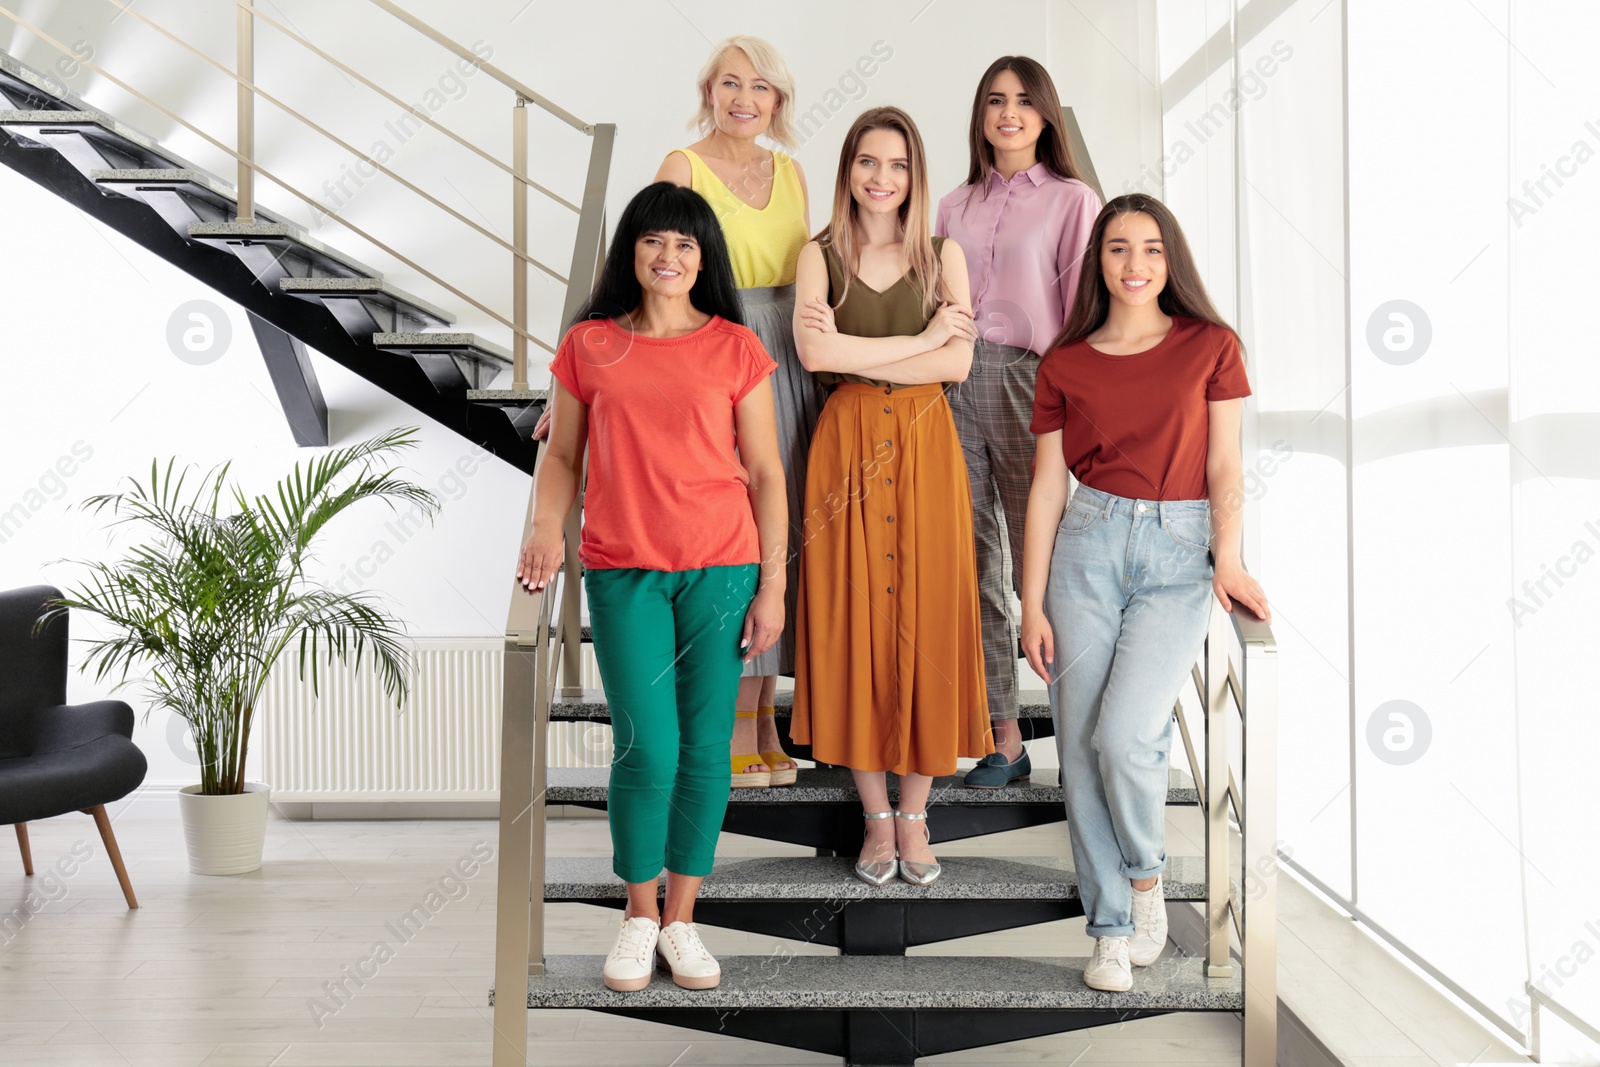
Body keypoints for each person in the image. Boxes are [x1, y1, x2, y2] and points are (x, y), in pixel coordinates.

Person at [515, 182, 786, 992]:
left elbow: (769, 473)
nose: (669, 258)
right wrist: (542, 528)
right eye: (654, 242)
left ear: (705, 259)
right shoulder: (589, 346)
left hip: (723, 567)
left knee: (706, 750)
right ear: (631, 250)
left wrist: (773, 584)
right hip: (624, 568)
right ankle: (637, 915)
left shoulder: (737, 348)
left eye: (686, 245)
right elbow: (562, 457)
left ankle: (682, 921)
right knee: (647, 745)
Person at [1019, 193, 1271, 992]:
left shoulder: (1211, 345)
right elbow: (1047, 487)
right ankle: (1110, 929)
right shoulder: (1066, 362)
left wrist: (1227, 558)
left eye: (1152, 249)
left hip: (1177, 552)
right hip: (1085, 547)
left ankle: (1145, 875)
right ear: (1098, 261)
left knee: (1126, 735)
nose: (1136, 265)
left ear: (1172, 261)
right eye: (1120, 249)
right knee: (1082, 742)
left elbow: (1227, 464)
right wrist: (1029, 601)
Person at [789, 106, 990, 889]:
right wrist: (925, 340)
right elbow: (814, 352)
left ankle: (916, 813)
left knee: (927, 616)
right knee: (853, 622)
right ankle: (875, 818)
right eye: (868, 163)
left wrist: (885, 350)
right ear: (847, 172)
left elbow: (961, 366)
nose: (882, 178)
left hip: (923, 447)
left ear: (916, 174)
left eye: (898, 164)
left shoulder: (945, 254)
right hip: (844, 449)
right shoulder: (820, 254)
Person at [656, 35, 821, 789]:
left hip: (790, 357)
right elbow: (647, 267)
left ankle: (763, 721)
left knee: (783, 540)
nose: (744, 98)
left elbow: (811, 280)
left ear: (778, 101)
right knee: (733, 540)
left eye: (760, 86)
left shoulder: (792, 173)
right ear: (708, 91)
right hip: (718, 354)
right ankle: (726, 724)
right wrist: (577, 386)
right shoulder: (681, 168)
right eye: (729, 83)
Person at [935, 56, 1101, 789]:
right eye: (996, 101)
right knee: (976, 565)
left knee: (1053, 564)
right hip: (955, 379)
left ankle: (1089, 731)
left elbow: (1086, 309)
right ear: (980, 114)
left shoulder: (1073, 200)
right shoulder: (952, 205)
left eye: (1024, 102)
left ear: (1045, 116)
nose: (1008, 113)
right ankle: (1004, 734)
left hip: (1037, 380)